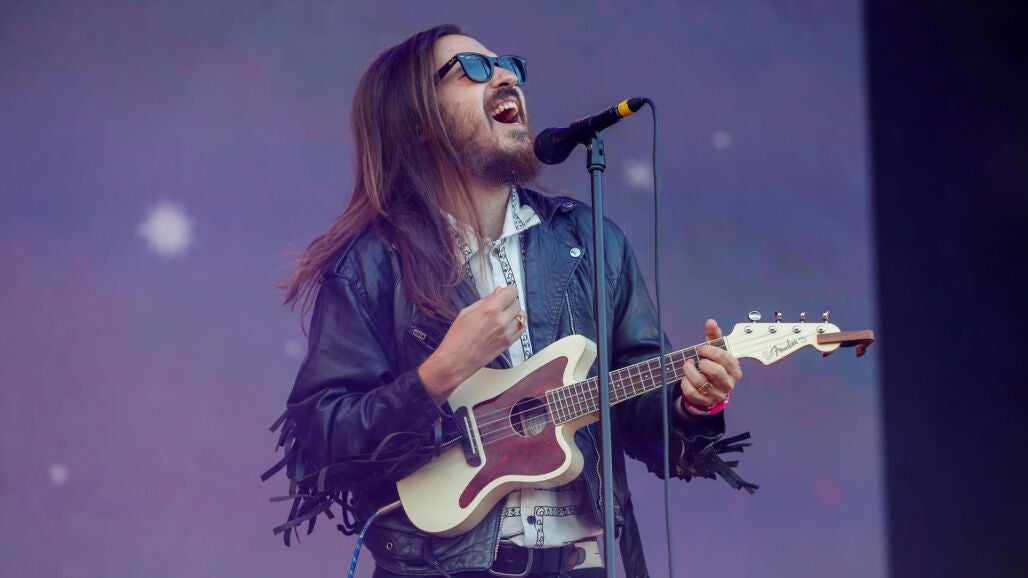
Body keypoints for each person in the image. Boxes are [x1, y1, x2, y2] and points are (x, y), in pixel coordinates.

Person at [265, 24, 755, 578]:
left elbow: (646, 420)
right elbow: (324, 439)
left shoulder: (591, 241)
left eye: (510, 65)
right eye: (474, 69)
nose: (505, 77)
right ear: (420, 121)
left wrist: (694, 404)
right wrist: (440, 373)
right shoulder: (374, 263)